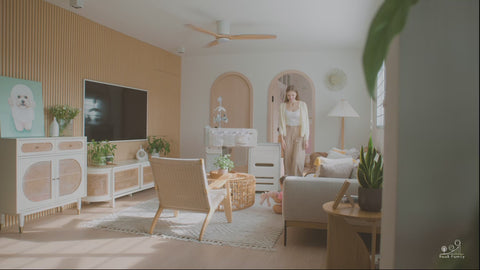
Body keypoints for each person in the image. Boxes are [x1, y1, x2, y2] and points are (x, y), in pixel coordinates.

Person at [278, 85, 309, 176]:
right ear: (286, 96)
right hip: (287, 132)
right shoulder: (282, 106)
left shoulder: (302, 105)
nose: (290, 97)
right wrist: (282, 139)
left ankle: (298, 181)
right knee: (288, 159)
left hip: (300, 133)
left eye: (292, 95)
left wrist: (306, 139)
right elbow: (280, 122)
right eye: (288, 95)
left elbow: (306, 122)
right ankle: (288, 181)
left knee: (297, 159)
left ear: (296, 94)